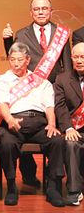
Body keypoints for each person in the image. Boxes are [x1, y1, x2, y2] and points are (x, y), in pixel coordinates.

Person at [2, 0, 72, 186]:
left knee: (53, 134)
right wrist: (7, 41)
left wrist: (65, 89)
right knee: (24, 131)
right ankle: (29, 173)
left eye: (44, 8)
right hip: (29, 92)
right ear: (31, 12)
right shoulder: (21, 33)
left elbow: (67, 65)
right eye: (37, 9)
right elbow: (15, 57)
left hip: (55, 90)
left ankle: (52, 177)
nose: (41, 12)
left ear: (51, 11)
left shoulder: (61, 33)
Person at [0, 42, 65, 207]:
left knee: (57, 140)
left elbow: (49, 106)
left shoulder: (41, 81)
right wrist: (9, 120)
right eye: (12, 59)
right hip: (13, 122)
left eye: (20, 60)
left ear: (28, 60)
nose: (16, 63)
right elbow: (1, 104)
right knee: (7, 143)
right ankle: (11, 186)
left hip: (38, 122)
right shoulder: (1, 80)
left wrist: (52, 124)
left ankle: (52, 187)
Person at [54, 42, 84, 205]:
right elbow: (60, 106)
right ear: (71, 58)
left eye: (83, 57)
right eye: (76, 57)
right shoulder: (62, 79)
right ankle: (74, 190)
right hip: (75, 127)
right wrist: (69, 127)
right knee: (71, 143)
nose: (79, 60)